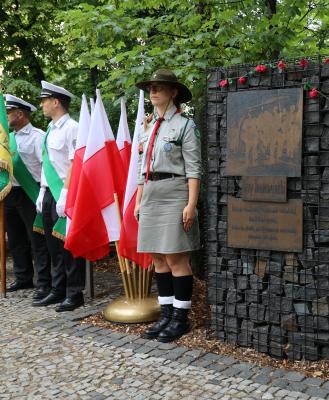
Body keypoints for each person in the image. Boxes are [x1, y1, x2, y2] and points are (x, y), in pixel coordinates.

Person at [134, 69, 201, 342]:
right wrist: (138, 200)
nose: (153, 91)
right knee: (158, 258)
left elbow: (194, 169)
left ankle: (180, 319)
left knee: (175, 258)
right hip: (150, 193)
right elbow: (142, 167)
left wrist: (191, 204)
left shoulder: (185, 126)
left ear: (173, 92)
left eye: (160, 87)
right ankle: (165, 314)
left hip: (175, 193)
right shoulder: (148, 127)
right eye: (151, 87)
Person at [32, 81, 86, 312]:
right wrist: (43, 191)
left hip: (67, 193)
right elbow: (47, 164)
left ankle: (75, 293)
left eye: (45, 100)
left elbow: (75, 164)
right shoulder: (50, 130)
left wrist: (64, 193)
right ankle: (58, 289)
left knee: (69, 245)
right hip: (49, 194)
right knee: (53, 245)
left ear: (56, 102)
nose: (42, 104)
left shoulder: (73, 128)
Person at [4, 95, 51, 294]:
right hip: (10, 192)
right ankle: (23, 277)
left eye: (8, 112)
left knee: (36, 240)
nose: (4, 116)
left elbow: (45, 167)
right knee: (15, 239)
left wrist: (42, 192)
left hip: (31, 192)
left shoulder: (38, 136)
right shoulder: (7, 138)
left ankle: (44, 282)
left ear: (20, 114)